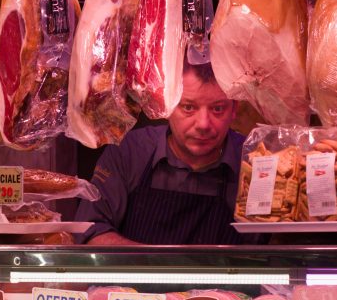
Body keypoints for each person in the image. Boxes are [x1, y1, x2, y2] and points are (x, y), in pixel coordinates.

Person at [75, 62, 251, 245]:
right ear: (167, 105)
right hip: (143, 273)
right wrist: (159, 264)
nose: (203, 124)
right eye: (189, 108)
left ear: (234, 110)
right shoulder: (131, 152)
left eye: (217, 109)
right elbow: (91, 231)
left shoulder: (254, 160)